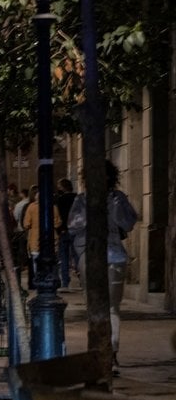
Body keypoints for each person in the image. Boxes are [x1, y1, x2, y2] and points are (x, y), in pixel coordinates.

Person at [67, 160, 139, 374]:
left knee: (111, 308)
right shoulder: (82, 200)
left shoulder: (118, 198)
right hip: (90, 256)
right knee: (95, 306)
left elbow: (129, 223)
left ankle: (111, 351)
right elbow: (73, 225)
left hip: (113, 257)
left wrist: (114, 208)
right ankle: (99, 351)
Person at [21, 186, 61, 290]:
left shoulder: (31, 207)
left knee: (35, 262)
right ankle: (51, 281)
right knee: (52, 261)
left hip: (35, 238)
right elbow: (57, 223)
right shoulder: (53, 207)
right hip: (51, 238)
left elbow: (26, 224)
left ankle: (38, 281)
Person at [54, 177, 77, 289]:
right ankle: (81, 277)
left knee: (64, 257)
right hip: (76, 230)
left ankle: (65, 281)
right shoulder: (76, 198)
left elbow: (58, 216)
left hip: (64, 230)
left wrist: (59, 229)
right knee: (77, 255)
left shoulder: (60, 200)